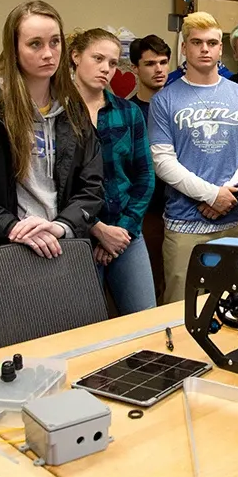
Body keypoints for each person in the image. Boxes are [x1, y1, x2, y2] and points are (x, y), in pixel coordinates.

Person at [0, 0, 103, 256]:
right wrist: (10, 226)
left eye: (55, 42)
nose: (48, 53)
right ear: (14, 49)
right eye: (35, 44)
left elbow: (92, 184)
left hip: (63, 243)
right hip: (4, 246)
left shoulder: (73, 107)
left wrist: (62, 225)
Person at [149, 12, 238, 304]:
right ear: (184, 48)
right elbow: (162, 161)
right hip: (186, 225)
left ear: (221, 49)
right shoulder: (164, 100)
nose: (205, 49)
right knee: (179, 310)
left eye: (212, 42)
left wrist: (227, 197)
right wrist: (212, 195)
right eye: (196, 42)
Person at [70, 28, 155, 315]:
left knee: (146, 322)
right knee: (84, 330)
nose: (106, 68)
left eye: (113, 62)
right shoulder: (58, 115)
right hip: (77, 237)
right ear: (76, 56)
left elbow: (144, 178)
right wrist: (97, 229)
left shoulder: (128, 113)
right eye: (98, 58)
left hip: (126, 234)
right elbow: (56, 186)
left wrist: (121, 231)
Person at [130, 34, 171, 304]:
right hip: (147, 213)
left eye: (164, 62)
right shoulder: (128, 111)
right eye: (150, 63)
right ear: (136, 68)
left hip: (182, 209)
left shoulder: (178, 105)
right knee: (152, 286)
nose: (158, 69)